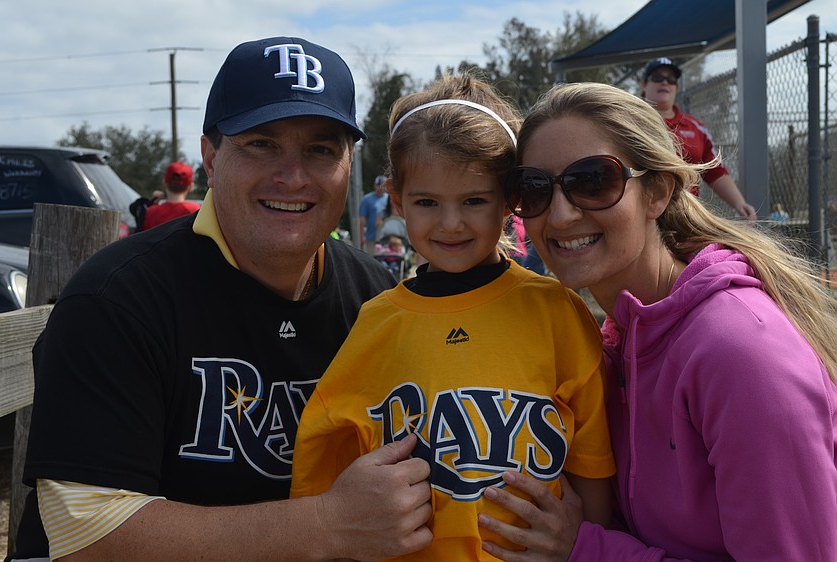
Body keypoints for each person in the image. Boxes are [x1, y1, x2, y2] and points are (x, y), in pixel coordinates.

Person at [9, 36, 433, 562]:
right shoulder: (117, 299)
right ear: (211, 155)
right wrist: (325, 524)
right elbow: (87, 536)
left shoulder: (382, 301)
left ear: (349, 165)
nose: (294, 175)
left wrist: (560, 520)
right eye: (262, 143)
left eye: (321, 149)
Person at [478, 81, 837, 561]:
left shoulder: (741, 354)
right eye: (535, 189)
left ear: (658, 193)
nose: (560, 216)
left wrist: (584, 549)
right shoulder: (618, 337)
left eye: (592, 182)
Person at [290, 72, 616, 561]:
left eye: (474, 201)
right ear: (397, 201)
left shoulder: (556, 310)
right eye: (426, 202)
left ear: (510, 203)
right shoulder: (377, 320)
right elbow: (325, 475)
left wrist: (582, 546)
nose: (450, 224)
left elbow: (592, 467)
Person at [641, 57, 757, 221]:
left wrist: (739, 203)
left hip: (686, 218)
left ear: (677, 87)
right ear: (644, 84)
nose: (665, 82)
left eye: (671, 79)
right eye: (657, 77)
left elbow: (715, 170)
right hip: (644, 216)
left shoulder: (695, 127)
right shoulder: (631, 122)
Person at [129, 161, 202, 232]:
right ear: (190, 186)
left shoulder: (150, 212)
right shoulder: (196, 211)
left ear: (164, 183)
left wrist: (151, 202)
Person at [359, 174, 389, 255]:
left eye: (382, 185)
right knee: (373, 260)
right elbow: (362, 219)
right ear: (374, 185)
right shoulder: (367, 199)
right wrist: (361, 236)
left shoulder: (389, 199)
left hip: (387, 237)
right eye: (378, 185)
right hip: (372, 237)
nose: (380, 188)